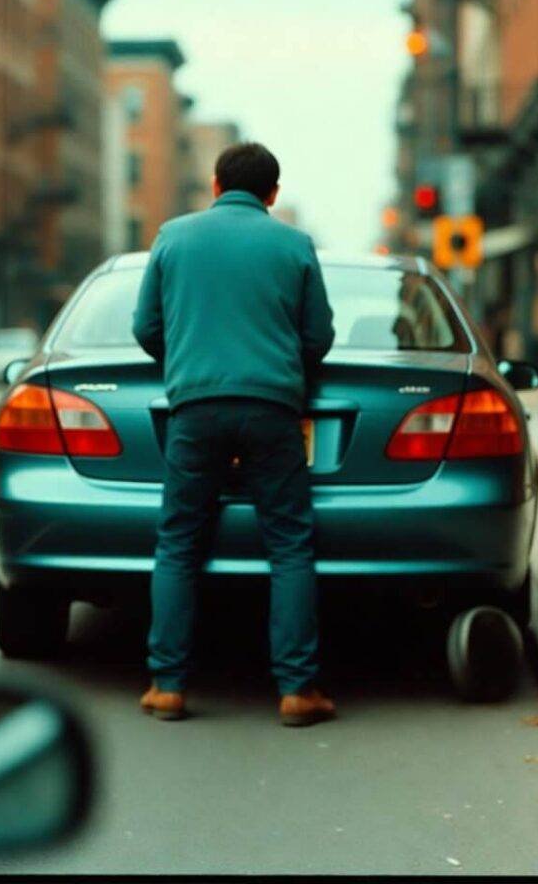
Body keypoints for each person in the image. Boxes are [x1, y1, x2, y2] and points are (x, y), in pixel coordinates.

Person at [132, 142, 337, 726]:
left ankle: (168, 685)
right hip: (273, 410)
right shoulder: (294, 244)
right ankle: (298, 690)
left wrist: (186, 365)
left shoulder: (173, 236)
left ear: (216, 185)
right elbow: (318, 336)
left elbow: (145, 326)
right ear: (273, 194)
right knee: (290, 546)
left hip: (194, 411)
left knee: (178, 545)